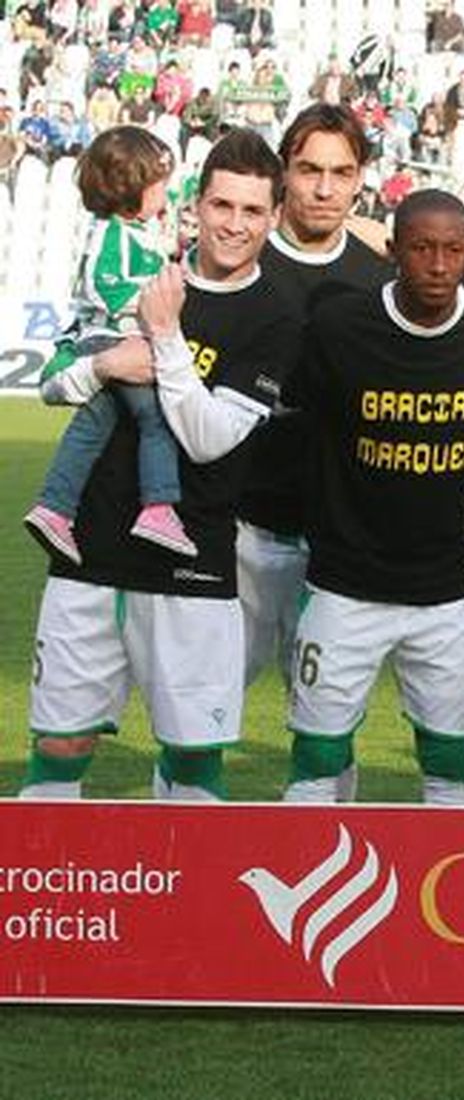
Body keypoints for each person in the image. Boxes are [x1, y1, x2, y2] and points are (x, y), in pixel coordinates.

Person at [22, 130, 302, 801]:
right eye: (221, 206)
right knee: (61, 744)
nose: (233, 225)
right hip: (87, 549)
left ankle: (186, 906)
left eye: (252, 211)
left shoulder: (276, 316)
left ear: (274, 216)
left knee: (192, 756)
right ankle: (55, 904)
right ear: (195, 206)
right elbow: (55, 381)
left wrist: (167, 338)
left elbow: (208, 439)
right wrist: (103, 364)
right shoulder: (146, 275)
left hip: (193, 561)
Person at [283, 190, 464, 806]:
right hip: (343, 584)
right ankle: (305, 894)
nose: (438, 265)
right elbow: (298, 419)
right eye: (421, 249)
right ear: (392, 251)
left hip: (445, 592)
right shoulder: (341, 326)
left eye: (451, 250)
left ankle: (450, 897)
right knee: (316, 761)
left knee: (450, 769)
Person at [239, 107, 392, 727]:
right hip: (239, 530)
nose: (325, 189)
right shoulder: (236, 262)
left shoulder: (381, 279)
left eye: (341, 172)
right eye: (309, 170)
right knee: (201, 710)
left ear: (361, 179)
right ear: (284, 172)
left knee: (328, 727)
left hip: (338, 541)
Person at [25, 127, 196, 567]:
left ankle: (54, 507)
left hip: (119, 337)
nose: (165, 190)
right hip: (113, 338)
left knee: (93, 422)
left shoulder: (139, 233)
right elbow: (104, 287)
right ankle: (159, 508)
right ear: (130, 187)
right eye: (158, 182)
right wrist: (153, 300)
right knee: (156, 416)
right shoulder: (111, 233)